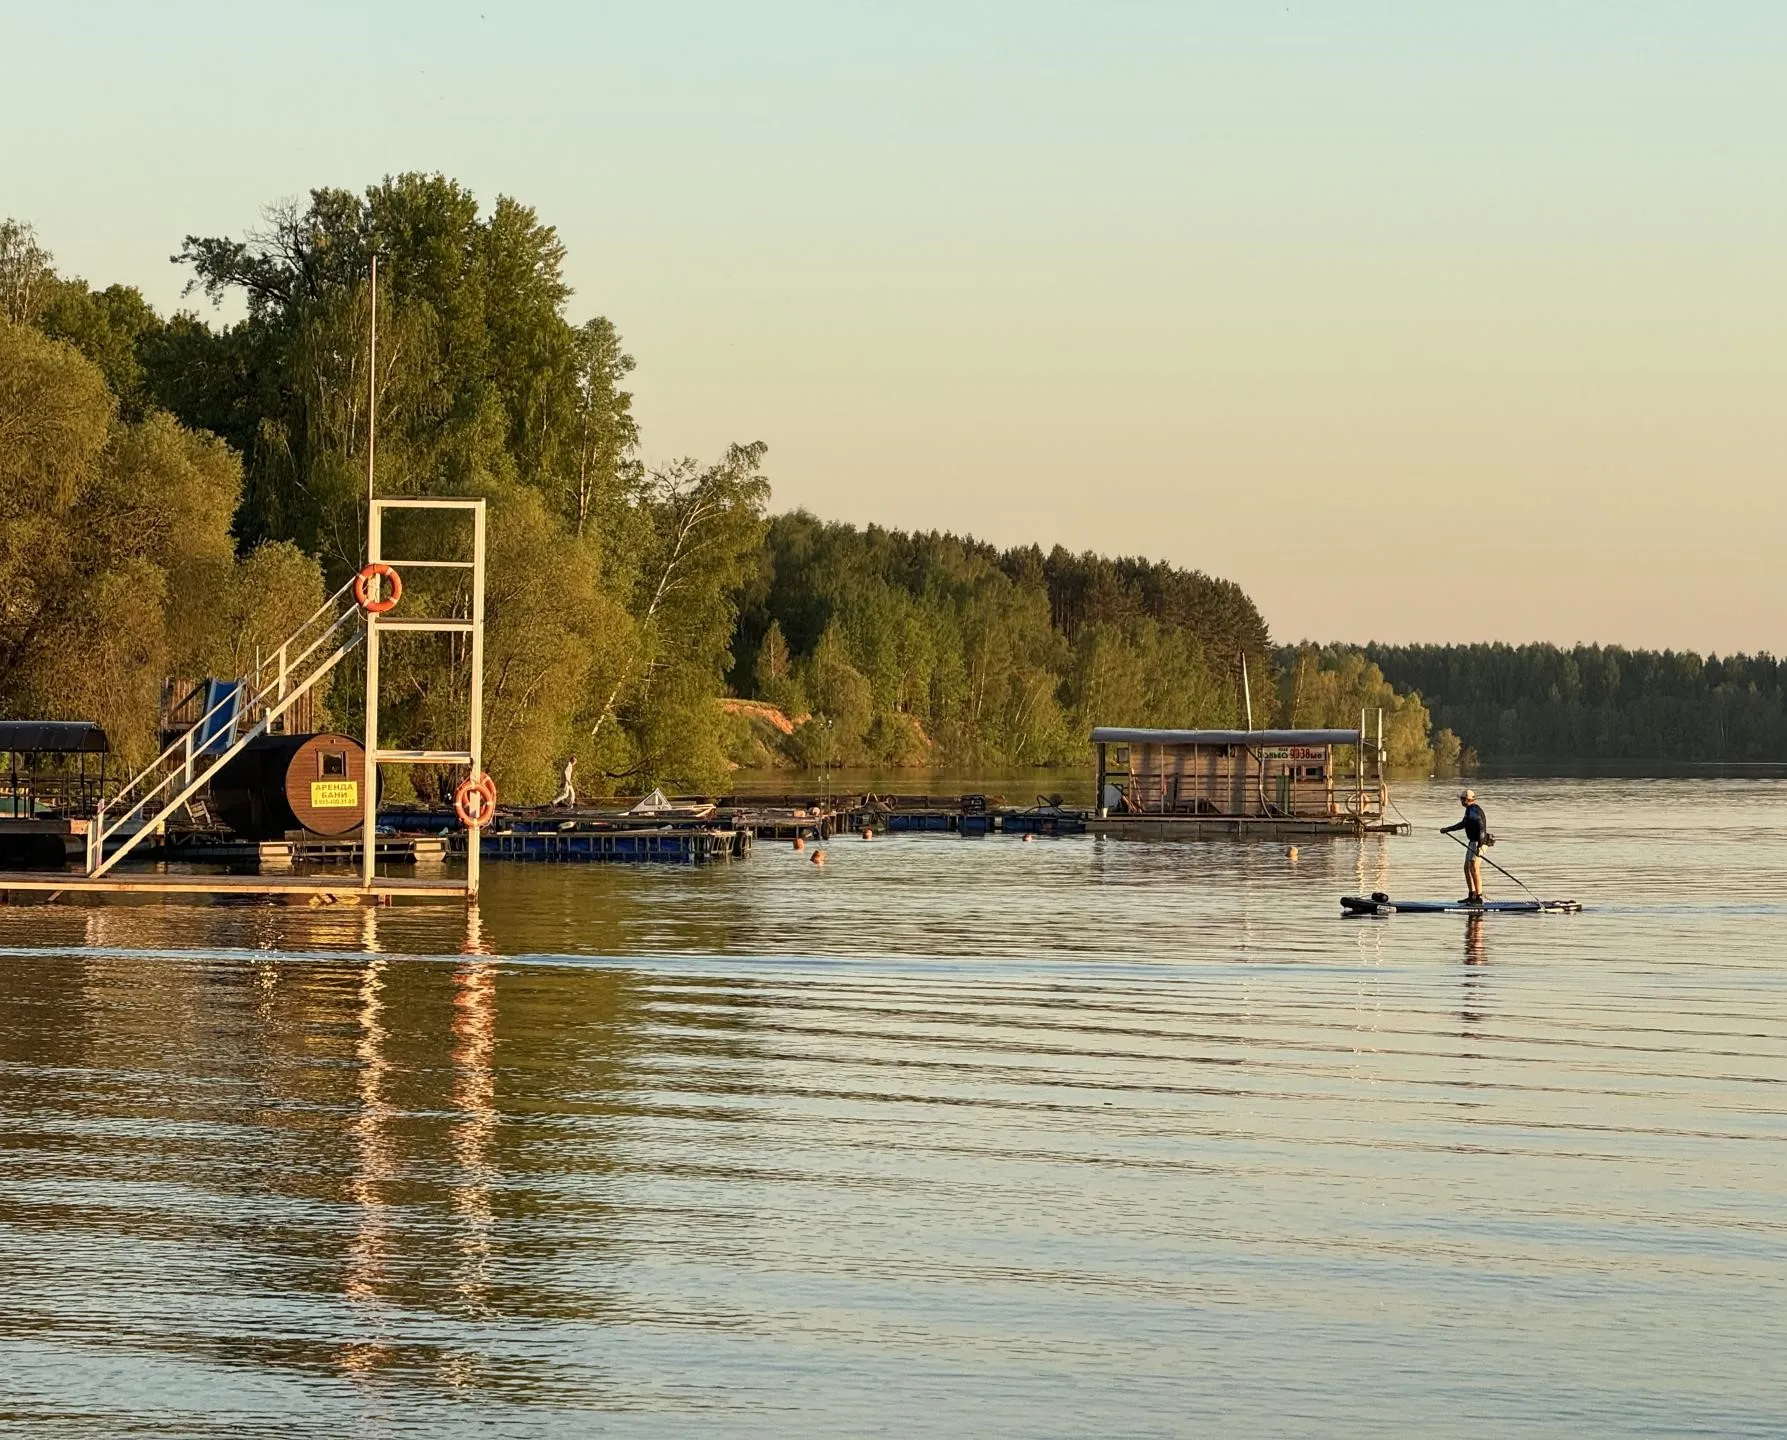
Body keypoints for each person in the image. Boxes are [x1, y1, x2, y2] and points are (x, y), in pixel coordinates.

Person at [1441, 788, 1490, 904]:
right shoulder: (1469, 810)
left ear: (1468, 800)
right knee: (1466, 868)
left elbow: (1481, 828)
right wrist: (1448, 829)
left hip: (1479, 842)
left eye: (1462, 799)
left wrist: (1480, 846)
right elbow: (1463, 824)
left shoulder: (1474, 810)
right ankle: (1471, 895)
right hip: (1473, 842)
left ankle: (1478, 897)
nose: (1461, 801)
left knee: (1474, 868)